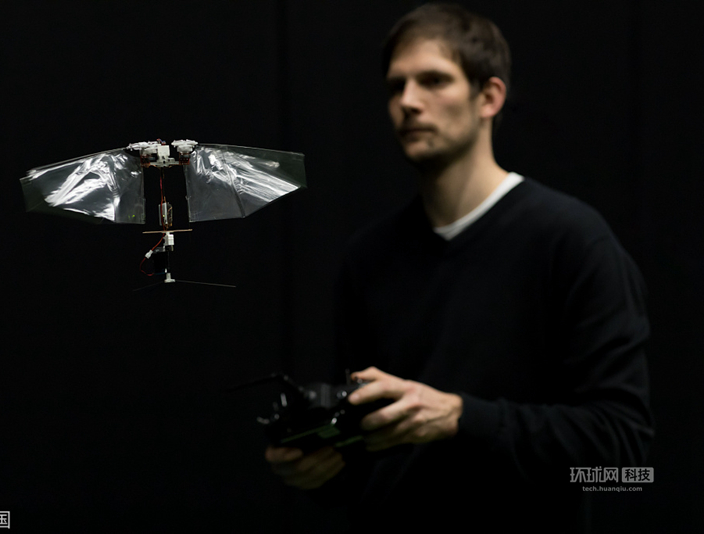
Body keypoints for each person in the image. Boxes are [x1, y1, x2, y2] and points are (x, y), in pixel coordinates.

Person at [265, 3, 653, 532]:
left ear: (489, 97)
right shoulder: (368, 258)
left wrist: (460, 417)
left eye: (433, 81)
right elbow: (368, 460)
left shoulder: (572, 241)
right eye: (396, 86)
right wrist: (320, 469)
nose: (408, 101)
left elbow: (626, 465)